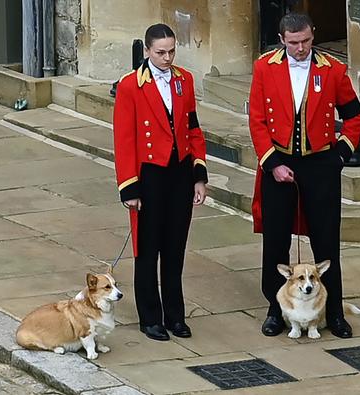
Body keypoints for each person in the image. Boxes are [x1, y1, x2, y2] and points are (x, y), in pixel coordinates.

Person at [249, 13, 360, 339]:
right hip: (279, 164)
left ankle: (334, 313)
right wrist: (272, 163)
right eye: (294, 43)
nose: (301, 49)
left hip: (319, 166)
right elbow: (257, 120)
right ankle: (276, 310)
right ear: (282, 39)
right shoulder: (264, 68)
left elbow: (355, 116)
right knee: (276, 243)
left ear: (313, 35)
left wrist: (340, 154)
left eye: (306, 41)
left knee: (326, 242)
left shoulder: (332, 69)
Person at [113, 23, 208, 341]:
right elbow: (124, 140)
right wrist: (129, 187)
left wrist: (199, 175)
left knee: (174, 248)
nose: (167, 58)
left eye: (171, 51)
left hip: (179, 172)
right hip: (148, 175)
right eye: (160, 52)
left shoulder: (185, 80)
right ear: (147, 51)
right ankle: (150, 317)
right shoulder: (130, 86)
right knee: (147, 250)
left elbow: (193, 127)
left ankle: (175, 315)